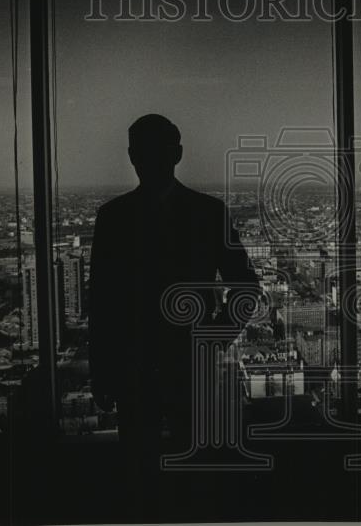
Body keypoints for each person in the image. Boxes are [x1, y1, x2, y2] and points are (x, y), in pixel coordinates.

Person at [88, 114, 261, 479]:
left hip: (153, 368)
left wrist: (213, 340)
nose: (146, 160)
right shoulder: (205, 213)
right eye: (141, 152)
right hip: (166, 368)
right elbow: (101, 303)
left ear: (176, 154)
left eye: (153, 151)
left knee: (168, 469)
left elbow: (103, 304)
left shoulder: (115, 217)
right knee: (167, 468)